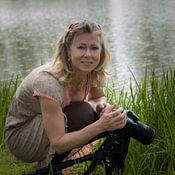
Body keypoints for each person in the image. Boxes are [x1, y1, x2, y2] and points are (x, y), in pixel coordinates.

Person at [4, 20, 128, 174]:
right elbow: (58, 143)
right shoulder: (48, 82)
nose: (88, 54)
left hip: (46, 125)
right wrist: (101, 125)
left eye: (94, 48)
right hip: (21, 137)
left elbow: (98, 97)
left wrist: (101, 107)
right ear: (68, 51)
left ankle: (60, 167)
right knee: (82, 113)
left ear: (101, 52)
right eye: (81, 47)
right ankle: (49, 169)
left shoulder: (89, 72)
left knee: (89, 112)